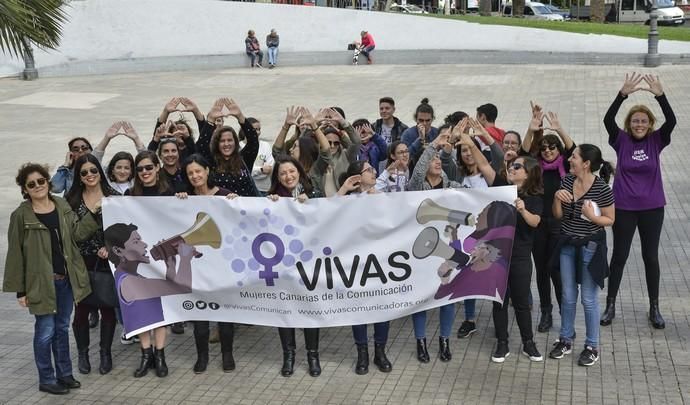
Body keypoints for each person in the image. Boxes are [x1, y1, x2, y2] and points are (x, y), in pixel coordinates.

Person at [4, 163, 99, 395]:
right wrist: (21, 290)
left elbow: (77, 234)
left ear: (48, 182)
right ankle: (46, 378)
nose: (38, 186)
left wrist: (94, 213)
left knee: (62, 328)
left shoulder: (62, 205)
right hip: (41, 283)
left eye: (41, 181)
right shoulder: (21, 215)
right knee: (45, 331)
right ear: (25, 189)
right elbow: (16, 253)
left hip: (65, 281)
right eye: (31, 184)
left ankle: (65, 374)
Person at [601, 73, 676, 329]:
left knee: (650, 257)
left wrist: (660, 94)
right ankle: (610, 305)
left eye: (644, 121)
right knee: (619, 256)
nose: (640, 124)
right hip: (623, 207)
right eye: (635, 121)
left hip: (653, 208)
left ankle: (654, 307)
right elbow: (607, 119)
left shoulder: (657, 140)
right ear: (629, 124)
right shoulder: (620, 140)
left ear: (650, 123)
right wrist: (622, 94)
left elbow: (673, 120)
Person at [550, 144, 615, 367]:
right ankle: (565, 339)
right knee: (568, 296)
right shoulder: (567, 181)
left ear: (586, 163)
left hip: (591, 247)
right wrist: (557, 198)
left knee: (588, 298)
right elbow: (558, 216)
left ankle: (592, 345)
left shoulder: (602, 188)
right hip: (567, 245)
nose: (569, 160)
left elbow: (610, 219)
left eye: (574, 157)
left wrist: (592, 217)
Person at [175, 154, 238, 373]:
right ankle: (202, 357)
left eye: (198, 171)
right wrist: (178, 201)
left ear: (207, 171)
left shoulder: (223, 195)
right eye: (190, 173)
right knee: (200, 317)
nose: (195, 176)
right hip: (197, 268)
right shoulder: (184, 198)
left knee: (225, 315)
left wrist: (236, 203)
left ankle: (227, 355)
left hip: (222, 267)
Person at [408, 133, 464, 362]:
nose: (437, 160)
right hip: (421, 251)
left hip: (446, 248)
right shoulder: (416, 185)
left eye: (439, 158)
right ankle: (420, 341)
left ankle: (444, 340)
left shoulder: (453, 186)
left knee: (447, 297)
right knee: (421, 299)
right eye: (433, 159)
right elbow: (420, 170)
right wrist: (433, 146)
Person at [521, 104, 576, 332]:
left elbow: (573, 149)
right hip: (539, 224)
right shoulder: (536, 168)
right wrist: (532, 129)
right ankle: (546, 311)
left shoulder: (565, 165)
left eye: (552, 147)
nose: (547, 151)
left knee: (557, 270)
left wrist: (559, 128)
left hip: (560, 224)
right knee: (542, 270)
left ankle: (566, 314)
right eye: (544, 148)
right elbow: (523, 155)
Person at [266, 156, 323, 377]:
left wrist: (311, 203)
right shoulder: (271, 198)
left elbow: (329, 216)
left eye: (291, 171)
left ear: (299, 172)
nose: (288, 176)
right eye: (282, 173)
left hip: (308, 265)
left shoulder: (314, 193)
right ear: (277, 177)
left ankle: (312, 355)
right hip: (282, 265)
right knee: (285, 310)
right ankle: (288, 355)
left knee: (309, 309)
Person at [485, 155, 544, 363]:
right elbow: (484, 164)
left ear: (528, 174)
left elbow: (535, 222)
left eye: (517, 166)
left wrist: (522, 209)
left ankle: (528, 343)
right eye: (511, 165)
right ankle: (502, 343)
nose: (512, 168)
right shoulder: (502, 188)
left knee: (521, 302)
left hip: (520, 257)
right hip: (497, 256)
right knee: (499, 301)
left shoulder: (535, 197)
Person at [336, 161, 393, 374]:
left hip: (380, 261)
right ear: (358, 177)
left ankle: (380, 351)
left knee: (381, 306)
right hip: (355, 264)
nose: (374, 172)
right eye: (369, 170)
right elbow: (326, 213)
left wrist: (380, 200)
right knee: (358, 309)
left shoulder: (383, 197)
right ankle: (362, 353)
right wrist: (344, 190)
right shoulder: (347, 200)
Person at [65, 155, 120, 375]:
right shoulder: (71, 200)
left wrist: (110, 246)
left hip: (108, 262)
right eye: (84, 172)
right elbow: (72, 235)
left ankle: (105, 354)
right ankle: (83, 354)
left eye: (93, 171)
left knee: (107, 308)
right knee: (82, 310)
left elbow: (123, 228)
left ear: (100, 172)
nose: (90, 175)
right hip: (82, 262)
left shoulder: (114, 197)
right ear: (78, 176)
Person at [197, 98, 260, 196]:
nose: (226, 144)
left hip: (245, 209)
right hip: (219, 208)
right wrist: (210, 121)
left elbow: (253, 141)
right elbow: (201, 146)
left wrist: (240, 117)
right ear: (217, 143)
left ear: (235, 142)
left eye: (230, 140)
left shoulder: (244, 158)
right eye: (222, 141)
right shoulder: (211, 161)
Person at [272, 106, 331, 196]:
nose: (291, 149)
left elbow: (326, 151)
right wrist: (286, 126)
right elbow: (277, 151)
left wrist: (314, 125)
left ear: (304, 150)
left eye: (295, 146)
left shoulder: (315, 170)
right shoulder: (286, 164)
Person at [240, 117, 274, 196]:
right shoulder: (239, 147)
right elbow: (246, 171)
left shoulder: (265, 145)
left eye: (259, 129)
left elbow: (270, 167)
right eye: (255, 129)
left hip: (266, 189)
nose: (258, 132)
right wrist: (261, 170)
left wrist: (259, 171)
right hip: (249, 189)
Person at [401, 98, 439, 166]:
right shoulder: (408, 134)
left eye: (428, 120)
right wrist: (420, 139)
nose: (424, 123)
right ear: (416, 119)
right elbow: (403, 157)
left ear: (432, 119)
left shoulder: (437, 133)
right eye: (421, 120)